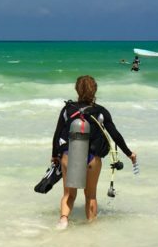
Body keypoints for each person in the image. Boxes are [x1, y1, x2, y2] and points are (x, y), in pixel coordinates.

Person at [50, 75, 136, 227]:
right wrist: (129, 153)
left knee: (69, 194)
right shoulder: (100, 112)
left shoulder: (67, 109)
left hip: (69, 156)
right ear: (95, 90)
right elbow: (115, 135)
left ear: (77, 89)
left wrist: (55, 155)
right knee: (90, 196)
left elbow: (57, 134)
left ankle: (63, 220)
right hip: (92, 159)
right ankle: (91, 227)